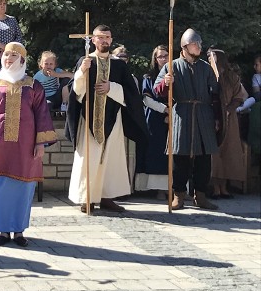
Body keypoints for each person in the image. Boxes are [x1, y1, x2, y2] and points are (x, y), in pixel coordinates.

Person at [0, 42, 56, 246]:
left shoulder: (33, 85)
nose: (8, 58)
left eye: (13, 55)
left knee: (23, 188)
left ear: (22, 59)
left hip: (26, 147)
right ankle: (2, 231)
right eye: (6, 55)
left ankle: (18, 231)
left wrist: (40, 144)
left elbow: (42, 115)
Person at [65, 24, 147, 213]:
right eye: (101, 37)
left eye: (108, 37)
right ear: (93, 40)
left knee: (111, 158)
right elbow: (75, 92)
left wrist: (112, 88)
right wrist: (81, 73)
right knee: (89, 157)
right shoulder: (85, 61)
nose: (105, 41)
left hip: (113, 118)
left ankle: (107, 197)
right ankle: (87, 198)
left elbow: (132, 94)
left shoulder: (119, 64)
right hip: (89, 120)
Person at [153, 28, 220, 210]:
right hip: (181, 113)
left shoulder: (206, 68)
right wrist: (165, 83)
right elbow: (157, 91)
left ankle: (201, 196)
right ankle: (179, 196)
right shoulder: (171, 66)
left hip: (203, 114)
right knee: (180, 159)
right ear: (185, 46)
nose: (199, 47)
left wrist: (216, 118)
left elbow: (215, 94)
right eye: (195, 44)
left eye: (199, 44)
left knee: (204, 159)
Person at [207, 48, 249, 199]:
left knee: (228, 152)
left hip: (229, 119)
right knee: (214, 154)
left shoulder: (232, 77)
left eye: (212, 55)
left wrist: (229, 109)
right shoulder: (207, 74)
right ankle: (215, 187)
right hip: (211, 118)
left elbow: (239, 97)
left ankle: (224, 187)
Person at [134, 45, 170, 198]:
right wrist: (164, 109)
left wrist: (173, 110)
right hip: (155, 118)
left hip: (175, 118)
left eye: (166, 55)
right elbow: (146, 99)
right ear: (155, 59)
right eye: (160, 56)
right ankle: (158, 188)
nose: (163, 59)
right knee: (157, 152)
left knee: (173, 154)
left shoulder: (177, 74)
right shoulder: (149, 77)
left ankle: (175, 188)